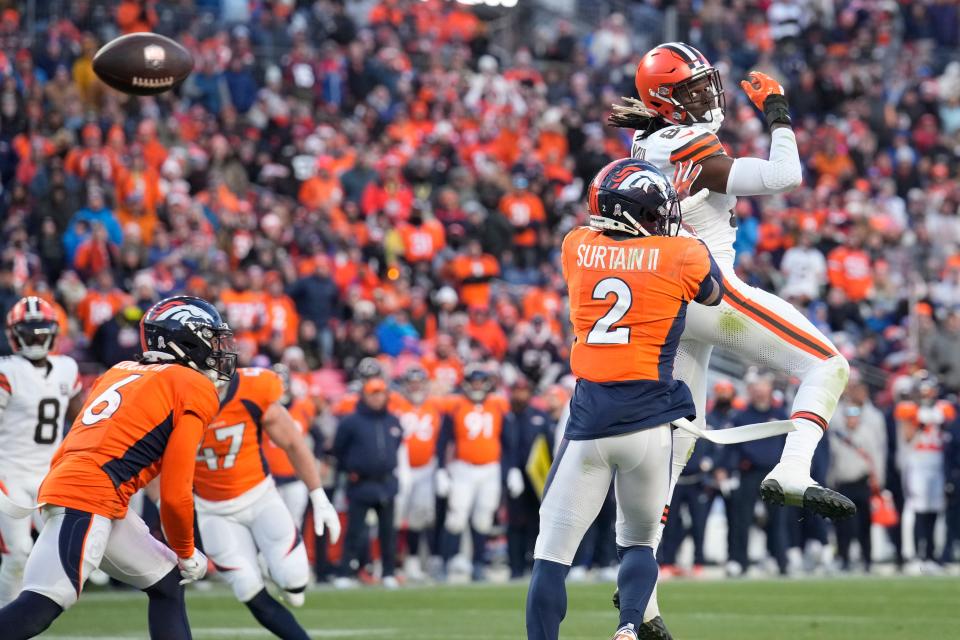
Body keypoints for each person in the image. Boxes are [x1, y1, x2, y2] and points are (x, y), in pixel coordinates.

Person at [612, 42, 853, 637]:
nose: (706, 95)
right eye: (691, 89)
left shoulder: (651, 142)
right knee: (829, 366)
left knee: (675, 452)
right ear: (665, 100)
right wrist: (778, 113)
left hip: (671, 301)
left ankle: (637, 611)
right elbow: (784, 175)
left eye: (704, 84)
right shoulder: (675, 142)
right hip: (706, 289)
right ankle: (794, 469)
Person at [525, 157, 724, 640]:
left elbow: (613, 246)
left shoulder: (576, 246)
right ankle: (629, 626)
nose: (662, 220)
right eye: (655, 213)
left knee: (550, 557)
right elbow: (714, 293)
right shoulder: (682, 254)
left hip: (591, 424)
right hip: (651, 426)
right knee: (639, 543)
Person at [0, 296, 235, 639]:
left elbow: (72, 445)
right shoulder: (193, 385)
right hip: (89, 495)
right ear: (184, 339)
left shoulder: (120, 371)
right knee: (44, 602)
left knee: (167, 582)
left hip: (81, 487)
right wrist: (185, 550)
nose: (217, 349)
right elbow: (175, 490)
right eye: (209, 338)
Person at [193, 364, 340, 639]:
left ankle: (269, 562)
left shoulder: (251, 388)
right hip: (213, 510)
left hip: (260, 497)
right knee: (247, 587)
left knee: (295, 582)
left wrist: (318, 496)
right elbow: (158, 468)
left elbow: (294, 443)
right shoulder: (174, 397)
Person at [0, 297, 83, 606]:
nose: (35, 337)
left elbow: (82, 419)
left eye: (40, 330)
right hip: (8, 472)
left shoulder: (67, 368)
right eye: (28, 331)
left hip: (49, 474)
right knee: (18, 552)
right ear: (13, 335)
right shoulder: (6, 371)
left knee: (60, 546)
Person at [434, 366, 515, 582]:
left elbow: (508, 442)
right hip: (463, 468)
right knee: (456, 518)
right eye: (474, 382)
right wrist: (441, 469)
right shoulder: (457, 406)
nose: (478, 386)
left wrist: (512, 469)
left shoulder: (497, 405)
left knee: (483, 519)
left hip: (490, 469)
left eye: (481, 382)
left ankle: (478, 563)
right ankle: (446, 563)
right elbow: (443, 441)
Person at [333, 376, 406, 589]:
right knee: (355, 531)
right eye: (373, 394)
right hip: (361, 483)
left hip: (386, 483)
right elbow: (339, 450)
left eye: (380, 393)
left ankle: (389, 572)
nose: (377, 398)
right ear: (365, 396)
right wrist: (351, 471)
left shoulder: (393, 420)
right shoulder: (351, 421)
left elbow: (397, 445)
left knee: (387, 533)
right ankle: (346, 572)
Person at [721, 373, 790, 577]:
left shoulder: (780, 413)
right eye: (756, 386)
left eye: (764, 385)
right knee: (742, 519)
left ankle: (780, 561)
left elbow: (788, 444)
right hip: (749, 472)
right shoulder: (741, 416)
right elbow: (731, 446)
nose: (760, 390)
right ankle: (739, 561)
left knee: (778, 519)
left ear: (770, 388)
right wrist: (725, 468)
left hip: (775, 474)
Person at [394, 365, 443, 581]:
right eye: (411, 383)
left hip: (425, 469)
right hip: (399, 468)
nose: (415, 387)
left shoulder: (434, 407)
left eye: (418, 383)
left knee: (418, 516)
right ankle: (389, 562)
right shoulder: (396, 404)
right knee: (393, 516)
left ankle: (412, 561)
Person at [505, 376, 553, 579]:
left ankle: (534, 565)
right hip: (514, 477)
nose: (520, 395)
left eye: (523, 391)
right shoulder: (507, 417)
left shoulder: (540, 416)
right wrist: (508, 470)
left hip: (537, 477)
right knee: (515, 522)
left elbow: (550, 447)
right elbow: (504, 448)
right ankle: (515, 567)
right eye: (517, 390)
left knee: (537, 522)